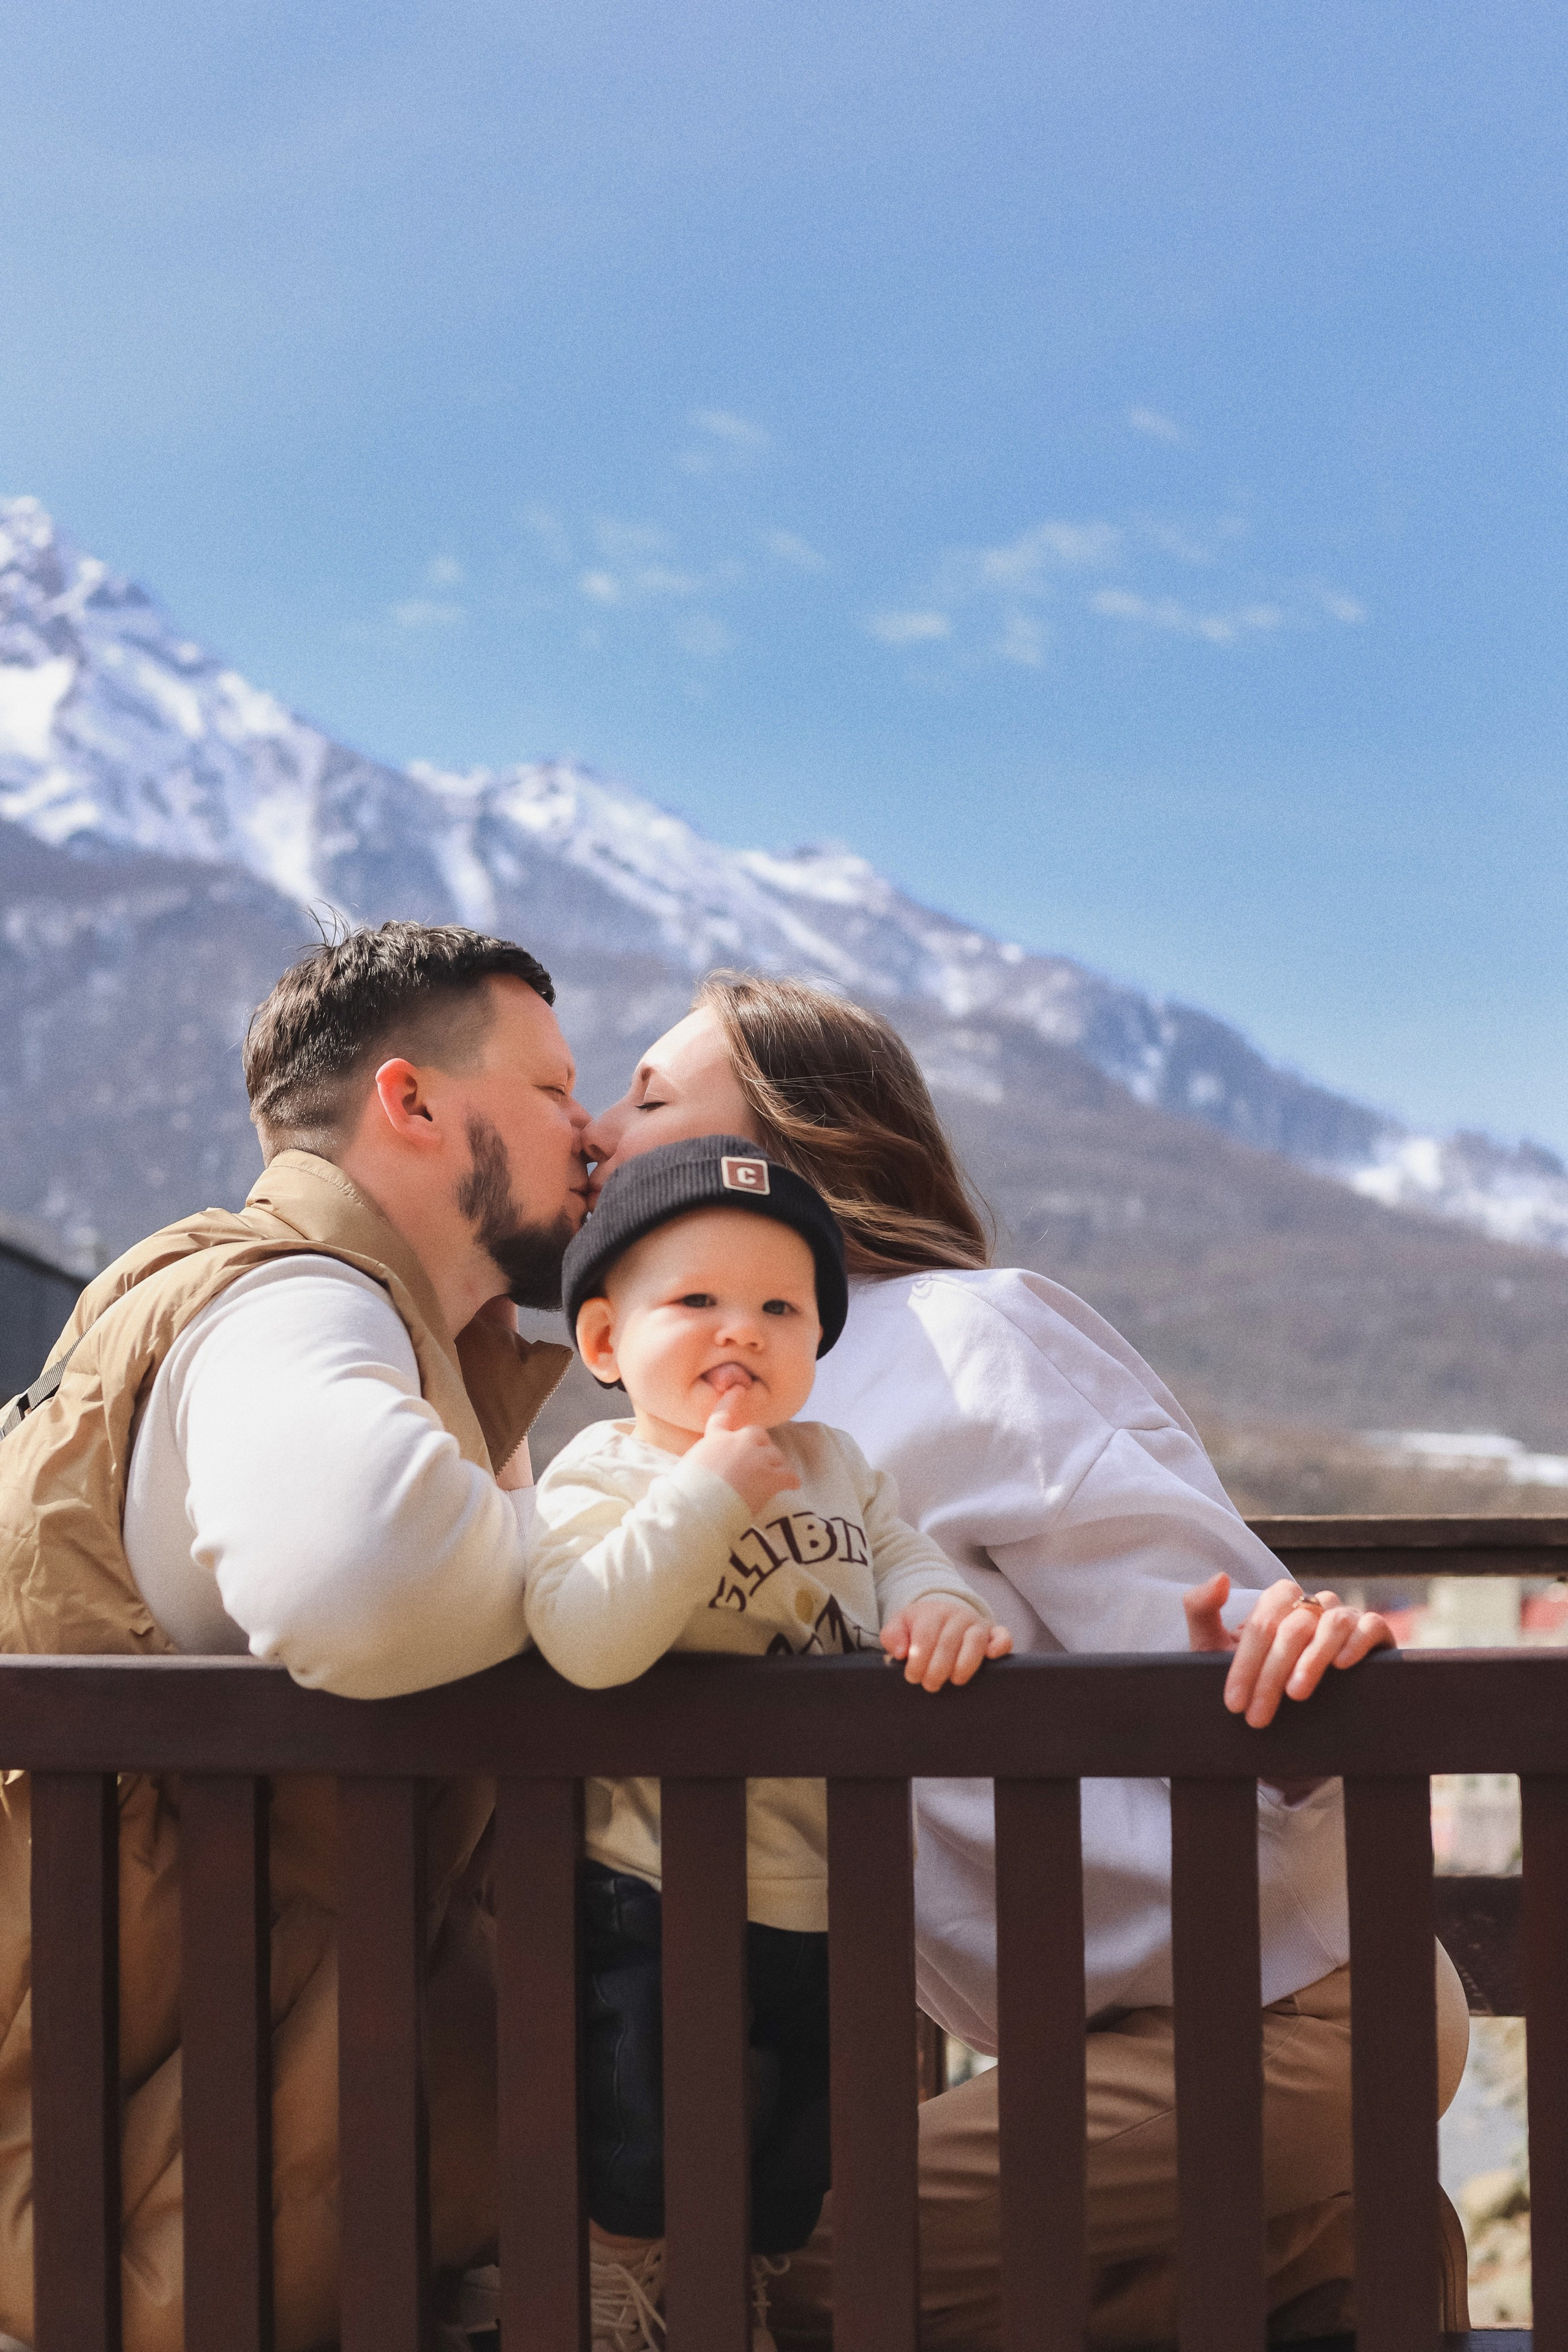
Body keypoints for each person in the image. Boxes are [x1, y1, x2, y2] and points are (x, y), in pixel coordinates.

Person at [580, 971, 1472, 2349]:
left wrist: (1270, 1638)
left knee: (792, 2276)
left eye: (643, 1099)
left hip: (1296, 2006)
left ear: (786, 1154)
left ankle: (1336, 2224)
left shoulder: (954, 1337)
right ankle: (1335, 2238)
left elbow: (1194, 1600)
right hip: (1123, 2042)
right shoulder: (720, 1426)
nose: (593, 1128)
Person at [0, 921, 592, 2352]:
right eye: (555, 1090)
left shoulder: (338, 1328)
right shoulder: (299, 1304)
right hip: (148, 2226)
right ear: (411, 1103)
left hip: (171, 2186)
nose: (592, 1136)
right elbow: (363, 1582)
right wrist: (636, 1554)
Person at [527, 1135, 1011, 2352]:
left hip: (824, 1887)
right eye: (694, 1301)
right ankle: (622, 2297)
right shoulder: (601, 1472)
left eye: (778, 1308)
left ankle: (733, 2292)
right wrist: (706, 1494)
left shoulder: (837, 1466)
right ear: (602, 1343)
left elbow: (902, 1556)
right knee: (644, 2128)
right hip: (652, 1882)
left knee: (801, 2142)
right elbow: (585, 1637)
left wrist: (941, 1605)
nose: (737, 1331)